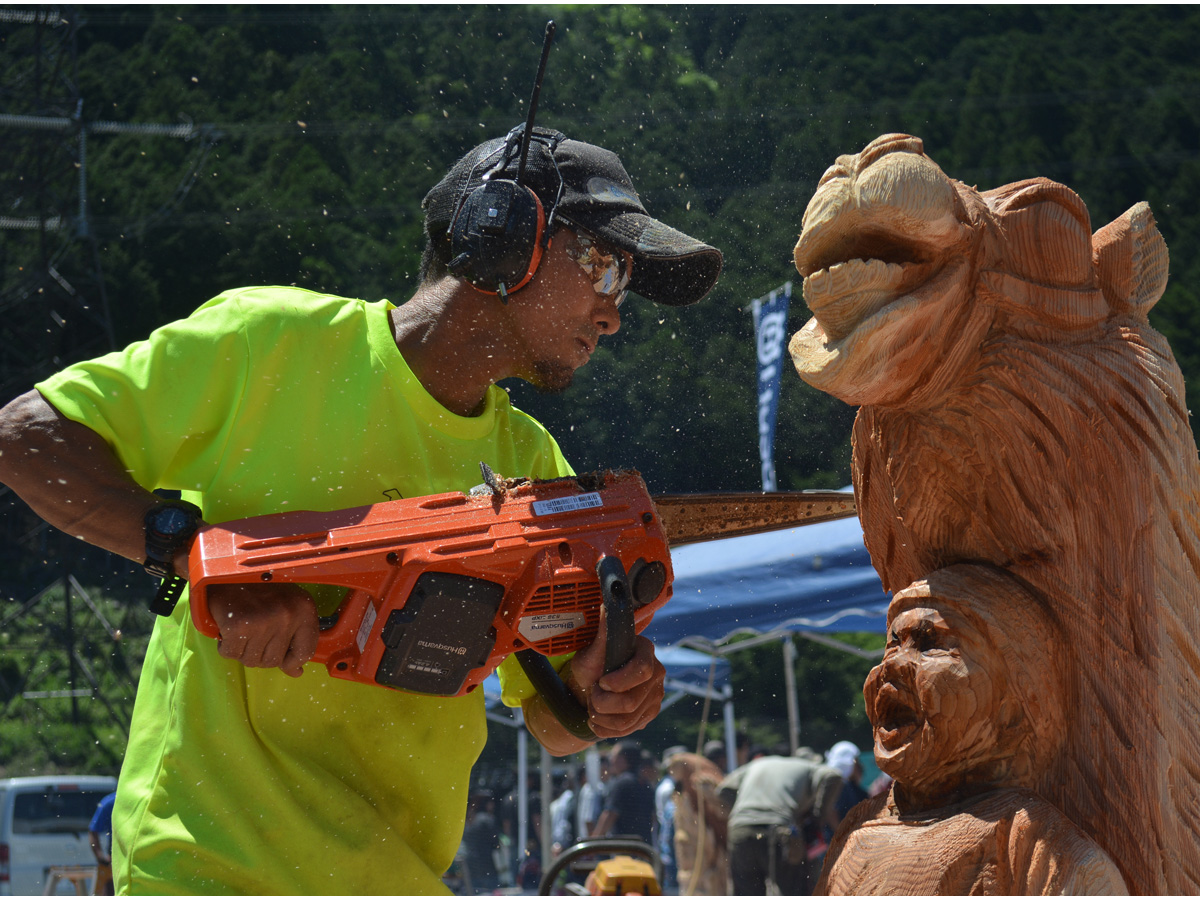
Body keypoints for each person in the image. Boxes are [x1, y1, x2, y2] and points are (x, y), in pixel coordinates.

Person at [0, 124, 721, 894]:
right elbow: (25, 438)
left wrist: (599, 699)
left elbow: (546, 713)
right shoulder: (272, 345)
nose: (614, 314)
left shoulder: (534, 467)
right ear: (505, 235)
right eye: (605, 269)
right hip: (211, 868)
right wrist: (200, 561)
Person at [815, 564, 1127, 895]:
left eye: (930, 642)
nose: (891, 664)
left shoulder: (1024, 841)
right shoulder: (859, 824)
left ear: (1013, 703)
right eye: (893, 642)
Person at [718, 750, 844, 895]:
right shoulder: (808, 767)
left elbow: (723, 789)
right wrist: (817, 819)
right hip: (777, 830)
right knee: (795, 891)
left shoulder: (757, 764)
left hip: (740, 831)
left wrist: (744, 812)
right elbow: (834, 776)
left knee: (746, 894)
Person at [591, 741, 655, 843]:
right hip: (644, 848)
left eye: (614, 755)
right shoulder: (645, 783)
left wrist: (593, 844)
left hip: (625, 848)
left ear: (623, 758)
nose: (611, 760)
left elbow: (609, 814)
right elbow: (652, 818)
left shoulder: (622, 783)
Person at [461, 790, 502, 895]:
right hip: (487, 864)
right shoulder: (487, 819)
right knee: (490, 892)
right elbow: (495, 842)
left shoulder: (469, 820)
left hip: (471, 865)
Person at [88, 790, 117, 896]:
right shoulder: (111, 802)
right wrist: (101, 858)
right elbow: (93, 831)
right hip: (114, 859)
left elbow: (93, 832)